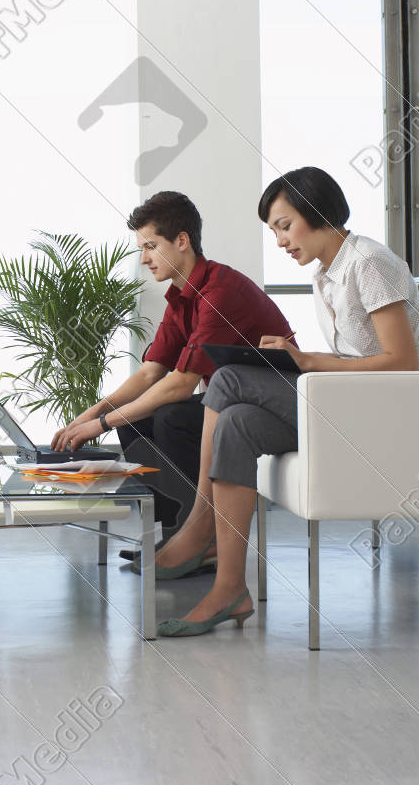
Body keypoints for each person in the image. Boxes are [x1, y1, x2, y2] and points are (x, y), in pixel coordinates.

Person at [153, 166, 419, 637]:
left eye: (285, 226)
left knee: (226, 379)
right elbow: (354, 356)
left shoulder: (368, 262)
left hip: (394, 411)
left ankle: (199, 525)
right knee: (237, 423)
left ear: (317, 211)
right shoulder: (327, 275)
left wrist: (304, 361)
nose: (281, 241)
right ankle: (230, 588)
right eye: (274, 232)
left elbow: (403, 363)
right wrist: (296, 360)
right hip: (355, 403)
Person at [51, 191, 293, 551]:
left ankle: (204, 541)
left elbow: (181, 384)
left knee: (172, 416)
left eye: (151, 246)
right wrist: (95, 412)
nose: (144, 258)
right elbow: (151, 373)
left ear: (182, 240)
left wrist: (100, 425)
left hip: (270, 405)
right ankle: (174, 535)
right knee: (137, 420)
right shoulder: (181, 297)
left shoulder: (219, 292)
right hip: (225, 401)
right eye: (141, 248)